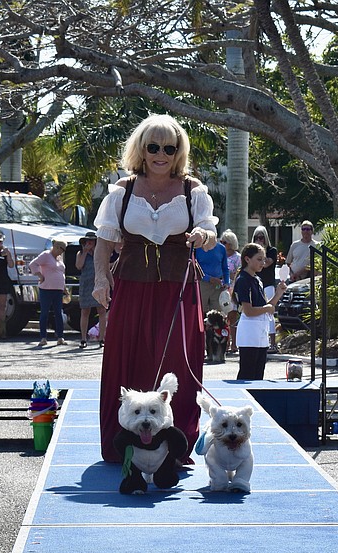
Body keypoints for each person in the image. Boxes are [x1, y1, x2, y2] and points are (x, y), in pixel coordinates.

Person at [91, 114, 218, 464]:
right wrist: (102, 280)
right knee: (126, 360)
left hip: (178, 290)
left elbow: (209, 235)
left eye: (169, 147)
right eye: (153, 147)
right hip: (131, 288)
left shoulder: (194, 192)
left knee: (177, 363)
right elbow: (103, 243)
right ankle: (123, 444)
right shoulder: (122, 191)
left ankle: (175, 447)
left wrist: (203, 236)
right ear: (142, 150)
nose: (161, 153)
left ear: (178, 151)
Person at [234, 243, 287, 380]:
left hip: (261, 333)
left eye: (264, 259)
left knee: (259, 374)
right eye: (259, 259)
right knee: (247, 373)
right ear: (247, 259)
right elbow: (248, 310)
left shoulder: (258, 280)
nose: (262, 263)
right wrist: (267, 309)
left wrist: (278, 294)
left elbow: (266, 306)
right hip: (249, 333)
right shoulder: (243, 280)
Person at [29, 239, 68, 347]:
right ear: (56, 247)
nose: (62, 252)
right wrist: (40, 275)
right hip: (46, 289)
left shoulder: (60, 259)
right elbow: (33, 264)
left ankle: (60, 336)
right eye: (61, 249)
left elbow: (61, 272)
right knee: (44, 313)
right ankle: (43, 337)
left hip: (58, 289)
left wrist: (64, 287)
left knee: (58, 313)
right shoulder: (46, 255)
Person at [75, 231, 107, 349]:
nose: (89, 242)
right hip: (86, 284)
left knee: (102, 310)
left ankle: (102, 338)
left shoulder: (100, 253)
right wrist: (85, 252)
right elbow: (79, 266)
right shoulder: (80, 253)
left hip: (98, 283)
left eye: (92, 240)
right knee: (85, 312)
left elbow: (104, 265)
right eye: (87, 240)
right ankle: (83, 338)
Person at [252, 225, 280, 352]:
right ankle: (258, 341)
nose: (259, 239)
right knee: (256, 312)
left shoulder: (271, 250)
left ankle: (273, 342)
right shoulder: (251, 251)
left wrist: (261, 250)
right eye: (257, 237)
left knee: (269, 312)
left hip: (268, 284)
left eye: (261, 237)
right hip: (255, 284)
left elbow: (267, 263)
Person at [195, 234, 229, 314]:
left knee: (217, 312)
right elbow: (195, 268)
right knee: (201, 311)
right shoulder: (197, 248)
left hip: (218, 285)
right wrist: (209, 278)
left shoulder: (221, 248)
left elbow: (225, 268)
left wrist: (227, 283)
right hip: (202, 284)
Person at [220, 229, 241, 354]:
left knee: (232, 317)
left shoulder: (238, 258)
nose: (222, 244)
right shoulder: (220, 256)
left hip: (232, 289)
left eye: (225, 242)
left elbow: (238, 274)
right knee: (223, 318)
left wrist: (230, 275)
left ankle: (234, 343)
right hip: (221, 289)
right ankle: (225, 343)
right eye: (221, 242)